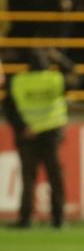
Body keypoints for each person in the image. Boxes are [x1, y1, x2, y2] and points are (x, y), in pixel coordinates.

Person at [2, 49, 73, 229]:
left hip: (28, 135)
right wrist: (59, 58)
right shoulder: (55, 79)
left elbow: (8, 107)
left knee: (28, 178)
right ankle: (59, 218)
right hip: (51, 135)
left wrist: (22, 127)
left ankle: (25, 219)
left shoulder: (19, 81)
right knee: (55, 177)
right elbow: (73, 74)